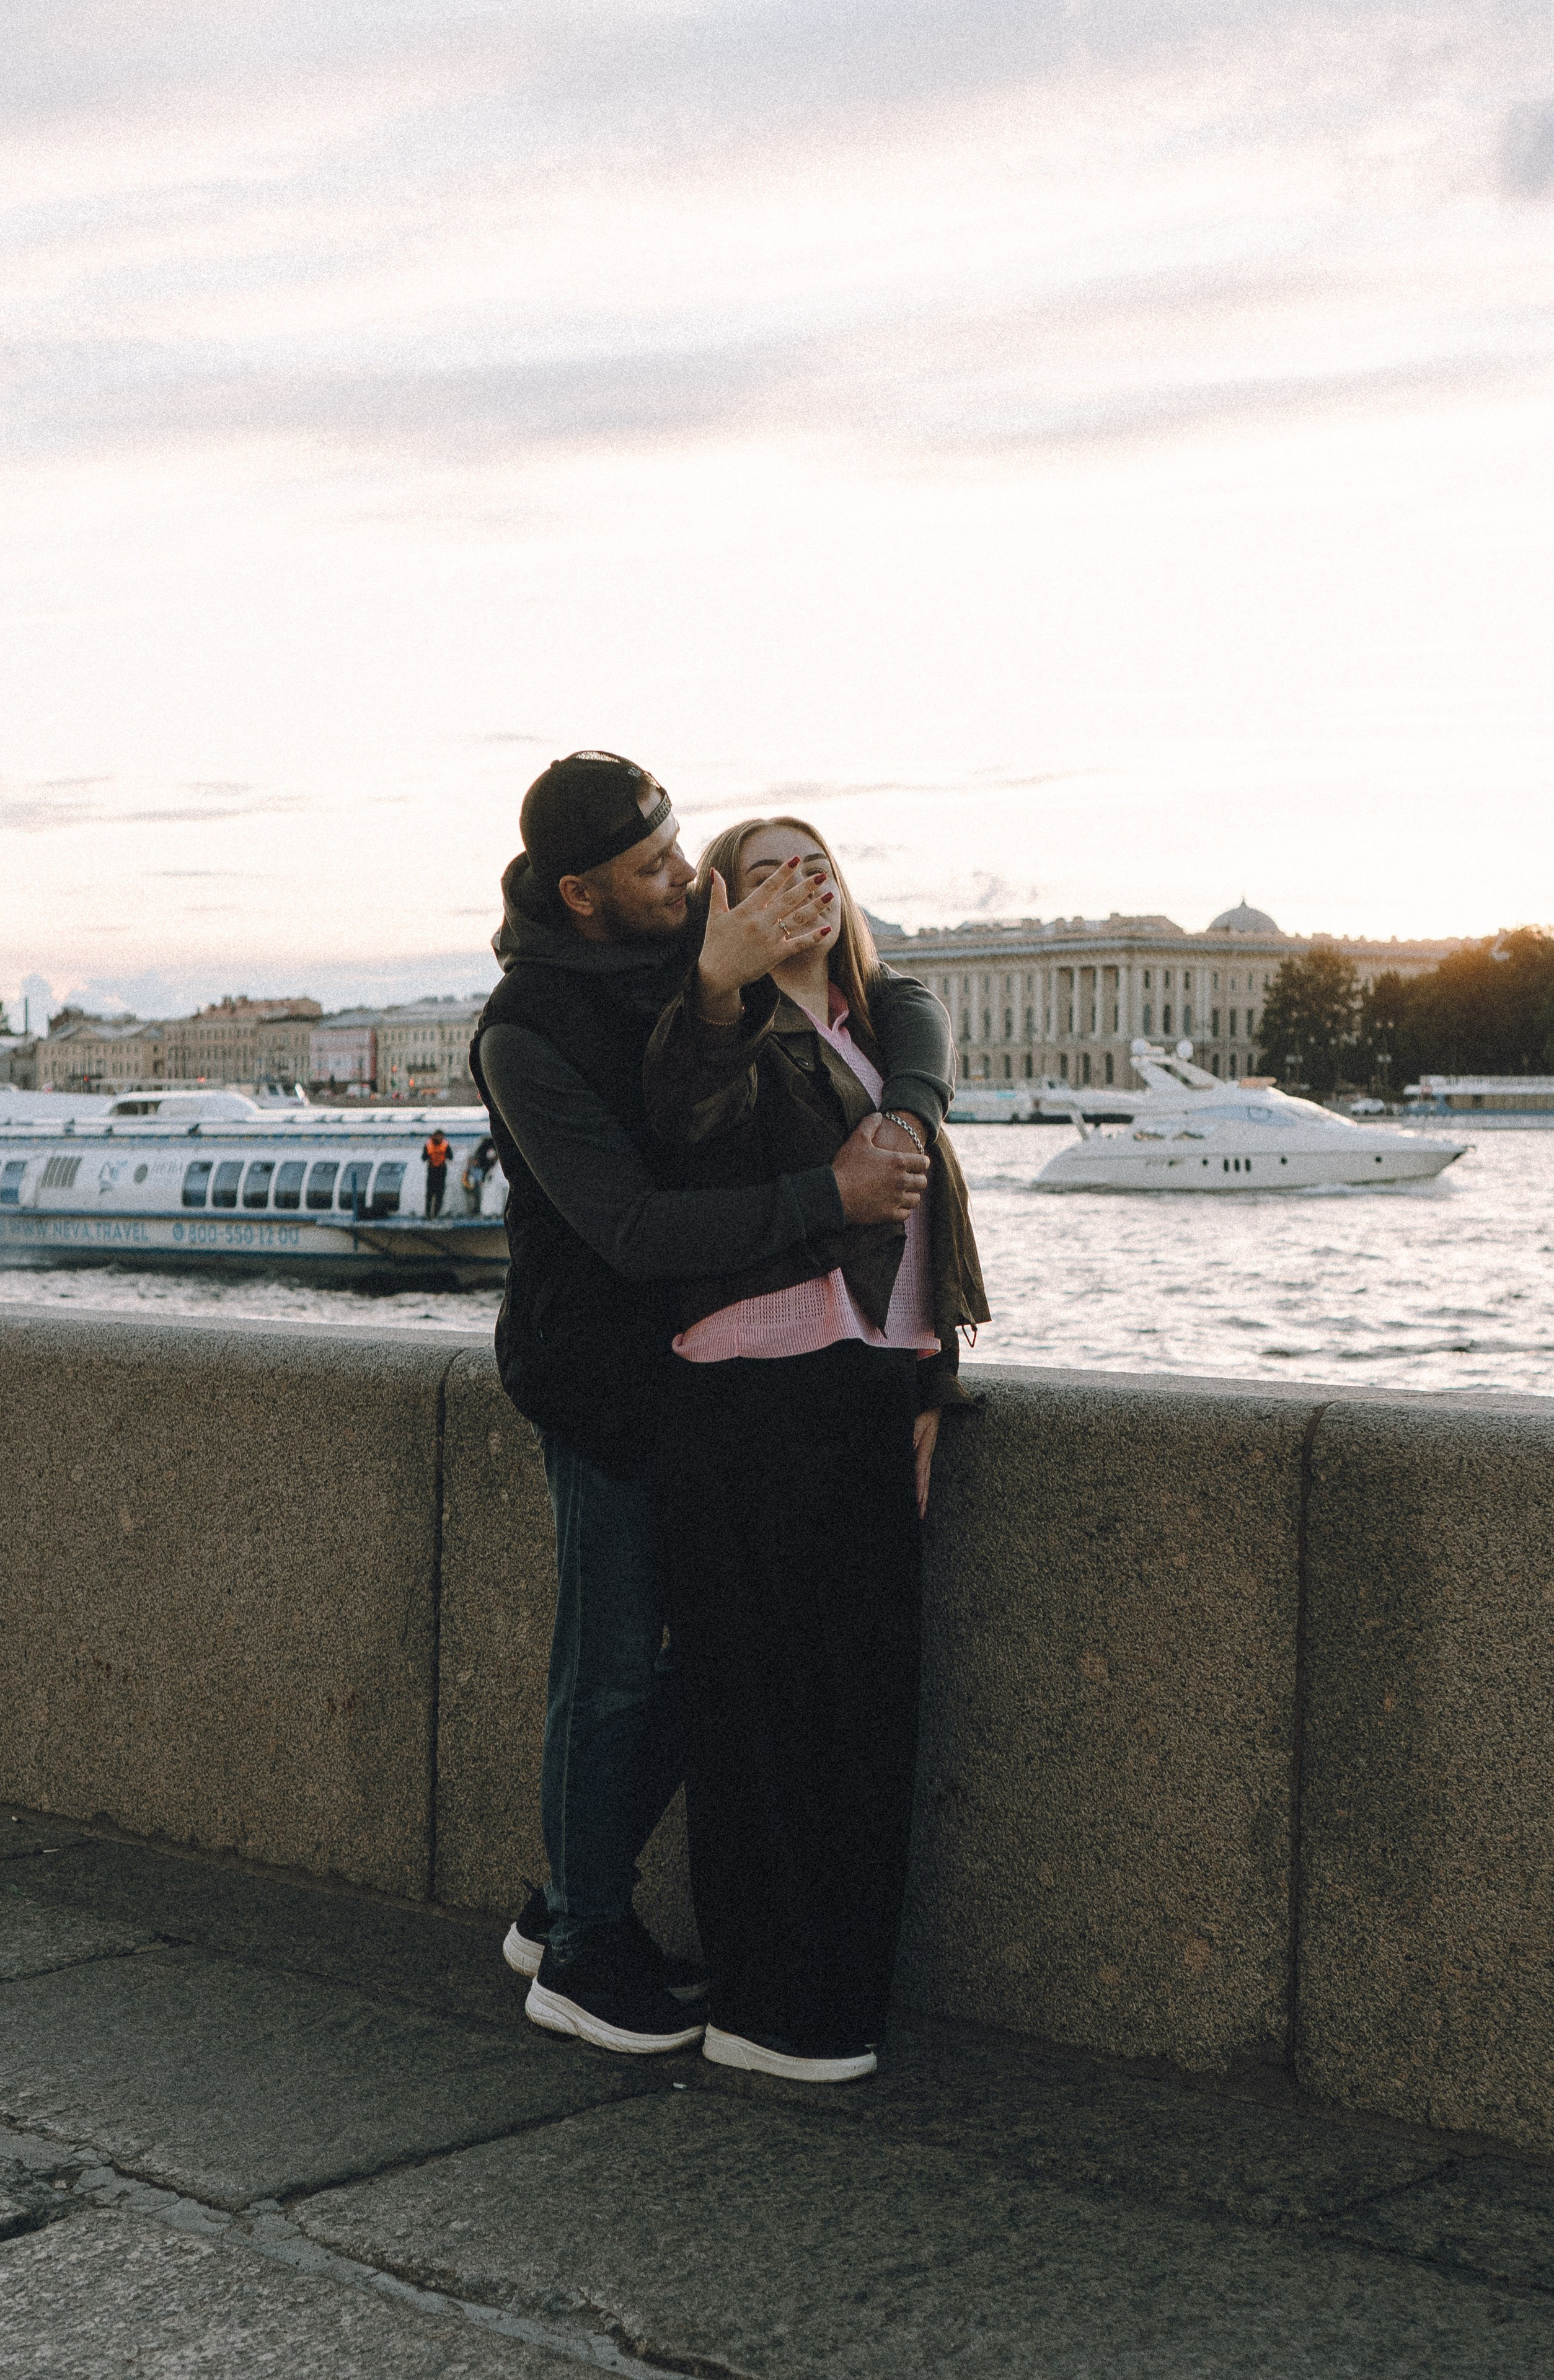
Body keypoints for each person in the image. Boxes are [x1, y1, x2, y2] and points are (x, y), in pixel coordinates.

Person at [469, 752, 954, 2056]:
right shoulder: (524, 1030)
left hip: (716, 1371)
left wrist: (900, 1112)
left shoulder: (682, 923)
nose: (684, 881)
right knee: (618, 1664)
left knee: (710, 1663)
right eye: (652, 870)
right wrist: (833, 1201)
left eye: (682, 853)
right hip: (608, 1373)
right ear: (581, 894)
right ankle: (580, 1949)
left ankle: (562, 1896)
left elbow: (891, 987)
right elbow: (630, 1223)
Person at [642, 814, 988, 2083]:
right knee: (760, 1711)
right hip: (749, 1393)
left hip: (863, 1390)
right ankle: (765, 1999)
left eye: (821, 863)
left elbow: (914, 1232)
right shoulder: (705, 1029)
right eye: (772, 867)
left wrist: (925, 1390)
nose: (807, 882)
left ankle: (832, 1999)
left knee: (860, 1707)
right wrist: (721, 978)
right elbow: (688, 1114)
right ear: (722, 899)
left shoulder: (875, 1025)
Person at [462, 1133, 498, 1215]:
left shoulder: (484, 1151)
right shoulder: (485, 1151)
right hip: (481, 1173)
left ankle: (479, 1209)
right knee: (477, 1191)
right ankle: (477, 1209)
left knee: (479, 1191)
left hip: (484, 1172)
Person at [422, 1129, 451, 1217]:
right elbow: (424, 1157)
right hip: (432, 1170)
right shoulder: (428, 1144)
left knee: (439, 1194)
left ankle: (435, 1214)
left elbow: (450, 1156)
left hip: (441, 1170)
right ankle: (428, 1214)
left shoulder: (445, 1144)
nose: (440, 1138)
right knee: (430, 1193)